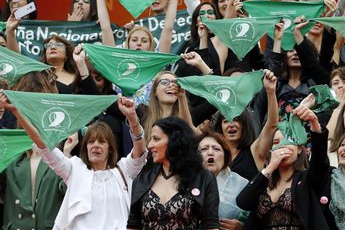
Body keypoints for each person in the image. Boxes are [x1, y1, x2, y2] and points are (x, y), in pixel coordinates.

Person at [0, 91, 148, 229]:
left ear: (110, 148)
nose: (95, 146)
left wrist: (132, 118)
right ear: (86, 147)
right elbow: (43, 144)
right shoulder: (74, 169)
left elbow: (140, 150)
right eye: (91, 142)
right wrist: (16, 112)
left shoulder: (123, 171)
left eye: (101, 142)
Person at [236, 105, 335, 229]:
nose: (283, 146)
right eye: (276, 143)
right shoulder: (263, 182)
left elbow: (320, 161)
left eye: (289, 140)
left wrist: (314, 124)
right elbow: (243, 202)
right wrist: (270, 167)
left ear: (299, 150)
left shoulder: (307, 179)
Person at [0, 72, 66, 230]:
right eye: (25, 106)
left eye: (38, 105)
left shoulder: (63, 151)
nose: (32, 114)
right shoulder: (11, 152)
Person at [127, 117, 219, 229]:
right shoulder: (142, 180)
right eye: (151, 139)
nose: (150, 145)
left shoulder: (203, 178)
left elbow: (211, 225)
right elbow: (133, 225)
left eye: (156, 139)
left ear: (175, 140)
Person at [213, 69, 278, 180]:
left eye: (237, 120)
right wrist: (181, 97)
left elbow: (272, 125)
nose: (231, 124)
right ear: (220, 127)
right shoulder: (212, 154)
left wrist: (270, 92)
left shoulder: (255, 152)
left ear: (245, 125)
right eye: (226, 121)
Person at [198, 130, 249, 230]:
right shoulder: (186, 182)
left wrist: (242, 227)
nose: (210, 153)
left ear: (225, 156)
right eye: (204, 149)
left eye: (216, 149)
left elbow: (257, 220)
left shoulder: (242, 184)